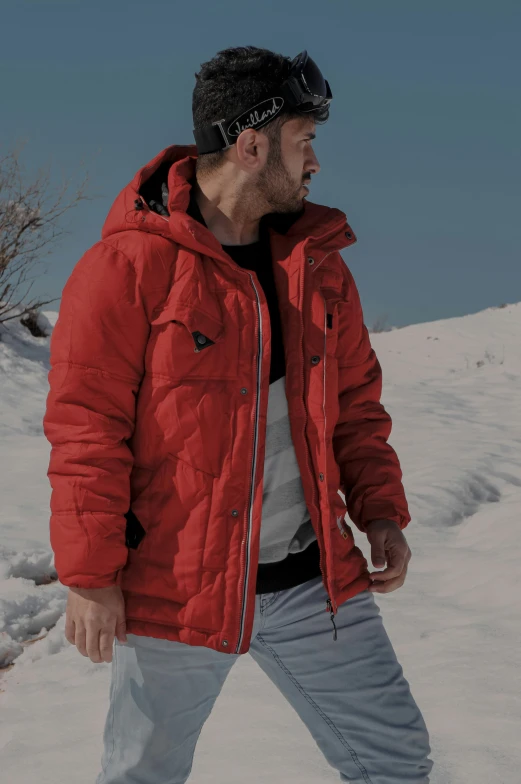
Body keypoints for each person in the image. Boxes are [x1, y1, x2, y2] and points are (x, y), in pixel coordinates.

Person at [44, 46, 433, 783]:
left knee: (396, 762)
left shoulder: (319, 266)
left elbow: (355, 408)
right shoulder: (126, 268)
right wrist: (89, 577)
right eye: (303, 140)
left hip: (312, 585)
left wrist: (381, 512)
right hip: (174, 594)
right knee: (139, 777)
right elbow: (86, 431)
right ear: (250, 145)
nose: (315, 162)